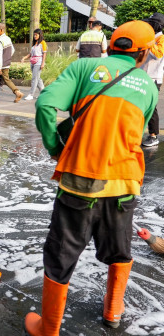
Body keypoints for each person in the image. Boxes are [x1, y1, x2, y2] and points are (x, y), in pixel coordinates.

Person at [23, 20, 158, 336]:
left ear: (110, 45)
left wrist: (56, 147)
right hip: (125, 184)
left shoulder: (84, 69)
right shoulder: (149, 87)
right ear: (145, 53)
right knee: (119, 248)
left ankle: (49, 329)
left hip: (80, 181)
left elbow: (45, 104)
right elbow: (133, 137)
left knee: (61, 255)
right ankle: (112, 312)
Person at [141, 12, 164, 147]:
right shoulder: (149, 37)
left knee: (151, 107)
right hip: (143, 75)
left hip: (154, 77)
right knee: (140, 105)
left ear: (156, 25)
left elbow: (158, 54)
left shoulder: (161, 39)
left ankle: (153, 135)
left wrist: (149, 43)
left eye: (150, 23)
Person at [0, 23, 23, 104]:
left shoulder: (0, 41)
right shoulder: (8, 38)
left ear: (1, 30)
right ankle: (17, 92)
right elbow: (13, 50)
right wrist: (7, 58)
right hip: (7, 63)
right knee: (6, 79)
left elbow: (0, 55)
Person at [21, 28, 47, 101]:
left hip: (38, 62)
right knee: (37, 78)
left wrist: (43, 64)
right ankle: (44, 93)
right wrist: (24, 58)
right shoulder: (35, 43)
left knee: (34, 78)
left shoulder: (43, 43)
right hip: (33, 62)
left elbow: (44, 53)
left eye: (36, 35)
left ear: (40, 35)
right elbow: (30, 54)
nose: (35, 36)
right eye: (34, 35)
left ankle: (31, 94)